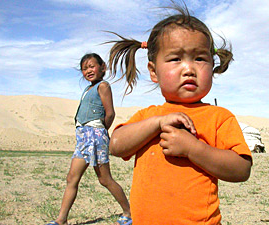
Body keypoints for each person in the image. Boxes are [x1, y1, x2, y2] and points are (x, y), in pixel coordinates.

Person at [107, 4, 252, 225]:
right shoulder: (148, 115)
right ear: (154, 72)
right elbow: (116, 145)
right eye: (176, 59)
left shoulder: (219, 117)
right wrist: (157, 123)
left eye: (200, 59)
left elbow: (241, 169)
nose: (188, 69)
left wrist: (194, 149)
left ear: (212, 66)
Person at [46, 53, 132, 225]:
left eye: (92, 66)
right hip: (83, 138)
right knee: (72, 178)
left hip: (95, 135)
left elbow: (110, 113)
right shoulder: (88, 89)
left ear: (103, 67)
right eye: (84, 68)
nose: (88, 71)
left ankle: (129, 212)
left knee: (105, 179)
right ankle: (61, 220)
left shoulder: (103, 86)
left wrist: (100, 132)